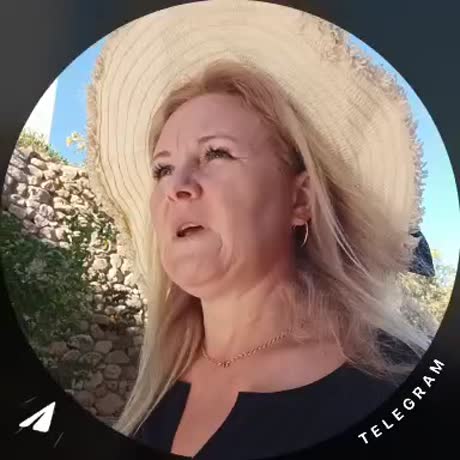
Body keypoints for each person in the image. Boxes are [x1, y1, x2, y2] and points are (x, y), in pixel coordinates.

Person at [85, 1, 437, 458]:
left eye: (216, 153)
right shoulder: (160, 379)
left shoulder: (392, 384)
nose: (176, 186)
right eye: (162, 169)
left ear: (300, 199)